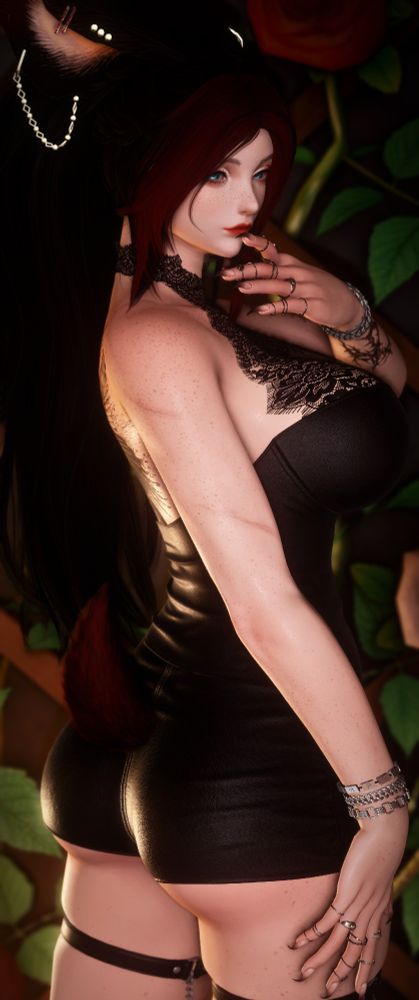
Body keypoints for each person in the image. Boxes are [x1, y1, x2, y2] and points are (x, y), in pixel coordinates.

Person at [2, 4, 410, 1000]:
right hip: (251, 760)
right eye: (216, 172)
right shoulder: (158, 340)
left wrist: (349, 315)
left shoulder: (204, 314)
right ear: (144, 166)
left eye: (261, 173)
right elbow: (260, 601)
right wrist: (381, 803)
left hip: (155, 740)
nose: (245, 202)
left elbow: (388, 389)